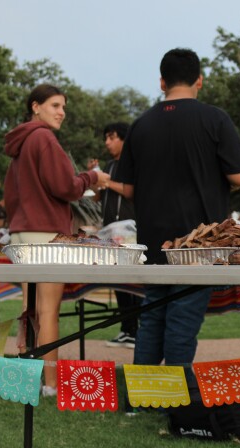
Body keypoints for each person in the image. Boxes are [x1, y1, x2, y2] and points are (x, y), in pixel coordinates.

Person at [115, 48, 240, 380]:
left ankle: (143, 393)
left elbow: (128, 189)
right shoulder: (214, 119)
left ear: (162, 82)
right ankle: (176, 394)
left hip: (153, 239)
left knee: (152, 316)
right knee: (183, 317)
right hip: (198, 242)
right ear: (199, 80)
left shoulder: (140, 124)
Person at [3, 83, 107, 396]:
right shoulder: (44, 138)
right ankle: (50, 385)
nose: (62, 112)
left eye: (63, 107)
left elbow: (11, 195)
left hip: (22, 233)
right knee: (48, 312)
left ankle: (28, 381)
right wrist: (93, 177)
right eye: (55, 105)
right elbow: (65, 187)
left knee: (30, 310)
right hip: (47, 234)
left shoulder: (21, 143)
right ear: (35, 107)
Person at [93, 122, 139, 348]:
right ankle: (126, 329)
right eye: (106, 138)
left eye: (112, 137)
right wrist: (96, 180)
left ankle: (138, 331)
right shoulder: (109, 166)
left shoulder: (134, 162)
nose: (107, 142)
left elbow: (131, 192)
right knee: (118, 282)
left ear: (124, 139)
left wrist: (107, 181)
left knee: (135, 282)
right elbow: (97, 198)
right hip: (110, 230)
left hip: (131, 231)